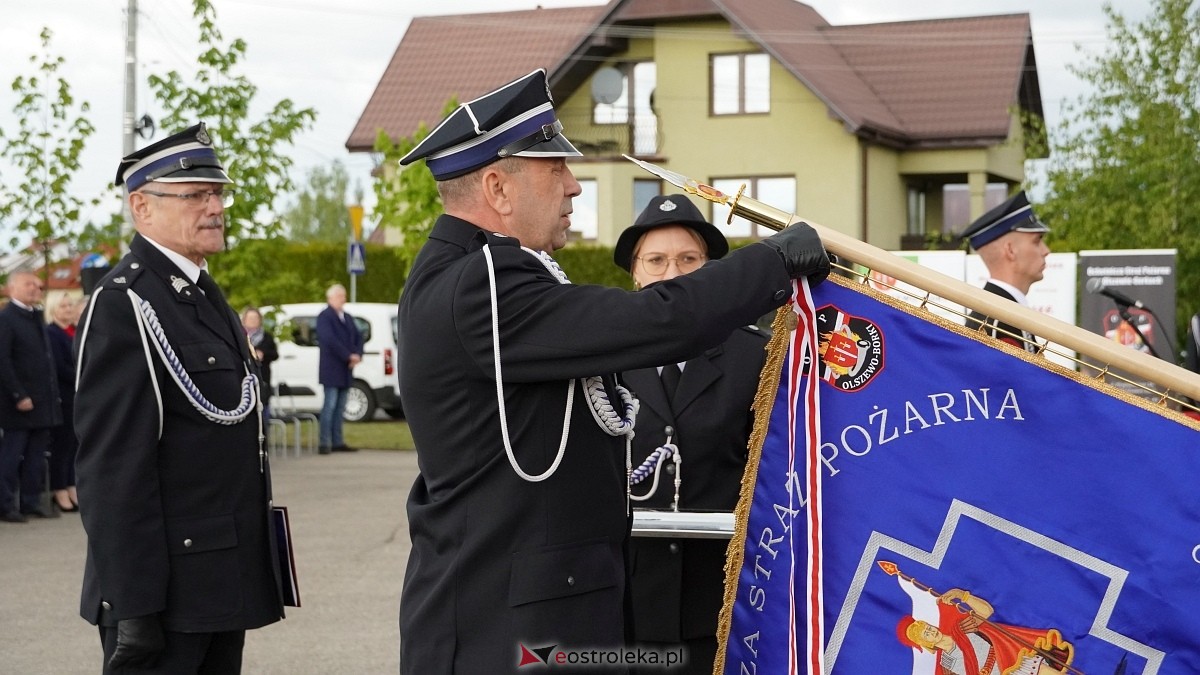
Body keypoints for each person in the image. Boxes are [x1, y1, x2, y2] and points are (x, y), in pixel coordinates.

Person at [394, 68, 829, 673]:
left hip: (533, 615)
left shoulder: (476, 276)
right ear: (497, 187)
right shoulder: (485, 283)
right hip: (510, 627)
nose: (574, 186)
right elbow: (657, 321)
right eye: (555, 170)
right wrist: (773, 262)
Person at [74, 123, 284, 673]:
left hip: (218, 578)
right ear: (141, 207)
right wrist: (132, 605)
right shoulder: (125, 304)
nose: (215, 207)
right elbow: (113, 469)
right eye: (195, 195)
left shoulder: (202, 294)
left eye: (217, 193)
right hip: (164, 593)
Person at [613, 195, 767, 673]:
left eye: (688, 259)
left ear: (709, 272)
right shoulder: (602, 356)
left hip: (722, 595)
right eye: (656, 260)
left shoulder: (753, 357)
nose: (672, 273)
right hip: (626, 597)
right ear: (636, 273)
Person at [0, 271, 62, 523]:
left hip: (42, 402)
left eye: (38, 285)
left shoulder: (36, 317)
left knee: (36, 456)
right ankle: (5, 505)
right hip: (19, 403)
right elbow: (3, 361)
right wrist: (19, 394)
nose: (36, 288)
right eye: (29, 284)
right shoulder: (6, 318)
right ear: (11, 288)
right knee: (12, 456)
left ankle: (30, 501)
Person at [896, 587, 1073, 675]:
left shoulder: (961, 629)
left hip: (1014, 662)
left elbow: (986, 612)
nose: (931, 631)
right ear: (927, 643)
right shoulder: (946, 665)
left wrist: (962, 595)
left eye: (928, 627)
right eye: (926, 634)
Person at [960, 190, 1051, 353]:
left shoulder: (1000, 312)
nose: (1046, 251)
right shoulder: (999, 321)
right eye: (1037, 241)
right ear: (1010, 250)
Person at [316, 283, 363, 453]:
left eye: (343, 296)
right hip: (332, 368)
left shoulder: (347, 317)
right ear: (331, 298)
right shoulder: (324, 317)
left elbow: (359, 336)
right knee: (329, 406)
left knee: (340, 407)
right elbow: (329, 340)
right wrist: (348, 355)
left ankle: (337, 441)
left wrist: (357, 354)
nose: (343, 299)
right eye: (340, 296)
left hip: (346, 369)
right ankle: (324, 442)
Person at [46, 294, 79, 513]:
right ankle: (59, 489)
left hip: (78, 394)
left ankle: (71, 484)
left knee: (76, 444)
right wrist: (83, 374)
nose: (68, 309)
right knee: (62, 445)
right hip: (64, 395)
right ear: (53, 309)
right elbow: (59, 366)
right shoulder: (51, 333)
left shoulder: (74, 331)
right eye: (63, 306)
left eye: (70, 305)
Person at [241, 306, 279, 418]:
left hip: (263, 379)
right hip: (244, 379)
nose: (253, 320)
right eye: (250, 318)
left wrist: (263, 354)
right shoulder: (240, 336)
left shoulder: (267, 337)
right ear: (244, 320)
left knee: (264, 410)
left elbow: (275, 354)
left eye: (255, 318)